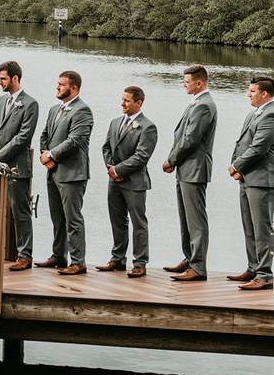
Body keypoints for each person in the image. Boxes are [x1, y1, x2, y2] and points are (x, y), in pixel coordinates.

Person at [228, 75, 274, 290]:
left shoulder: (272, 116)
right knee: (249, 227)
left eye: (252, 91)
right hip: (248, 178)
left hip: (264, 180)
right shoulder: (254, 113)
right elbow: (242, 143)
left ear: (265, 94)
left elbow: (259, 148)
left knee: (262, 229)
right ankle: (253, 268)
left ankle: (264, 275)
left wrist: (236, 167)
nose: (247, 94)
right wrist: (237, 167)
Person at [0, 61, 39, 271]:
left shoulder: (30, 104)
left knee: (20, 211)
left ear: (15, 79)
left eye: (3, 79)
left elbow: (24, 138)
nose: (0, 83)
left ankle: (25, 255)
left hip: (17, 167)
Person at [162, 64, 217, 282]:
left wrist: (171, 159)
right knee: (185, 216)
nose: (184, 85)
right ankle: (189, 258)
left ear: (199, 82)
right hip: (186, 168)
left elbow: (190, 139)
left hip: (194, 168)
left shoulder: (204, 105)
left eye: (187, 82)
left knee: (196, 219)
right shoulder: (197, 102)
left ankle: (198, 267)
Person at [36, 71, 93, 275]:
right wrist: (45, 155)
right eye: (57, 84)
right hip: (53, 171)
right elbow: (44, 134)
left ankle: (78, 262)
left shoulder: (82, 111)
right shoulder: (54, 109)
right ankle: (59, 255)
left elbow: (75, 140)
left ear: (74, 88)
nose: (57, 87)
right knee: (57, 217)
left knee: (73, 219)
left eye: (61, 85)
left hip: (72, 174)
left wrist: (51, 155)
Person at [98, 86, 158, 277]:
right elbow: (106, 147)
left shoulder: (148, 127)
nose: (122, 103)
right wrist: (111, 168)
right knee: (117, 220)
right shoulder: (115, 122)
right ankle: (117, 259)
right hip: (114, 180)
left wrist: (119, 169)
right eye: (122, 99)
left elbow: (142, 156)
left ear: (138, 102)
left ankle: (140, 263)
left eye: (127, 100)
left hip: (135, 182)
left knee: (138, 222)